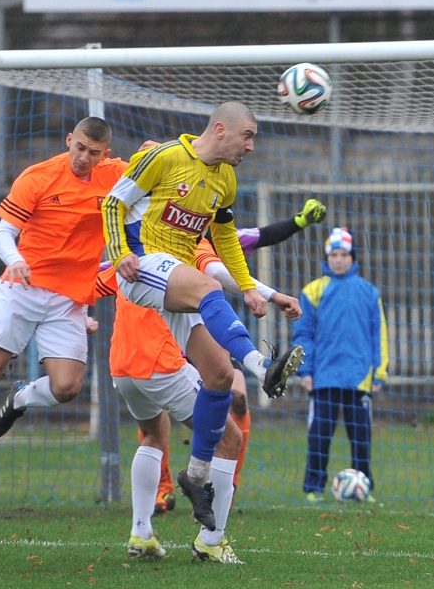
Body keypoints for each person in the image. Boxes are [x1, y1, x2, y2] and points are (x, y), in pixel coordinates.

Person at [100, 101, 304, 531]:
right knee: (209, 290)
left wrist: (250, 288)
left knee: (216, 376)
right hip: (141, 269)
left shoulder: (225, 180)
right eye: (247, 135)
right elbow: (112, 205)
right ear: (220, 130)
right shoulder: (166, 156)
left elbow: (226, 236)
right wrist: (120, 255)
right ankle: (263, 366)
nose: (251, 146)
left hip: (176, 283)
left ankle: (195, 477)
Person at [0, 117, 130, 481]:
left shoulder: (115, 174)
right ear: (69, 139)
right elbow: (4, 234)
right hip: (22, 288)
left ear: (106, 154)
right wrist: (17, 260)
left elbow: (156, 167)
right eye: (79, 149)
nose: (84, 159)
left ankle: (21, 399)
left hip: (69, 300)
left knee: (67, 387)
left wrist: (156, 153)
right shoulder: (38, 176)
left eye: (94, 153)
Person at [96, 236, 302, 563]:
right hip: (162, 364)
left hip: (122, 364)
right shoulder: (183, 233)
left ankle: (141, 532)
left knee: (154, 434)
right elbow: (219, 271)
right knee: (230, 439)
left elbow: (92, 281)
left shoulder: (131, 246)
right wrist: (271, 294)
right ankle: (211, 539)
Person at [146, 199, 328, 515]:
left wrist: (299, 222)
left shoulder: (212, 237)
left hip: (210, 335)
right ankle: (163, 489)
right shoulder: (147, 237)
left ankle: (225, 481)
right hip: (163, 339)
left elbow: (262, 236)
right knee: (155, 419)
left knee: (237, 396)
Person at [292, 227, 389, 503]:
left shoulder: (369, 292)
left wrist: (379, 372)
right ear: (327, 257)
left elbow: (378, 333)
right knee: (319, 437)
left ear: (352, 256)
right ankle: (314, 487)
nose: (338, 259)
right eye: (333, 254)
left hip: (359, 377)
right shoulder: (313, 291)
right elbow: (303, 335)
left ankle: (364, 485)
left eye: (343, 254)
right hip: (324, 377)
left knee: (361, 438)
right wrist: (305, 370)